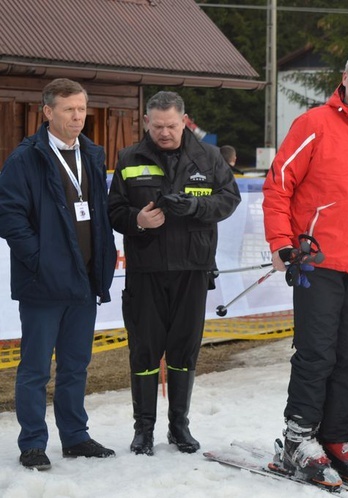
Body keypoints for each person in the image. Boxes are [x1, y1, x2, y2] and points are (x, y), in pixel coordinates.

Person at [262, 51, 348, 490]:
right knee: (316, 353)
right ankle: (299, 437)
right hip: (318, 261)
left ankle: (336, 437)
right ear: (346, 78)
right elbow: (279, 183)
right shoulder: (314, 123)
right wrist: (281, 242)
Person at [108, 91, 241, 456]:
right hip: (146, 270)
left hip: (192, 269)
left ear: (185, 121)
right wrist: (137, 220)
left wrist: (195, 206)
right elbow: (114, 209)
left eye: (171, 125)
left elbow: (229, 199)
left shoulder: (209, 156)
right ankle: (143, 430)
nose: (164, 133)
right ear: (146, 122)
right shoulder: (129, 158)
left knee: (184, 350)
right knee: (145, 351)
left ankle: (179, 427)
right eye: (158, 126)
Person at [0, 78, 117, 470]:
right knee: (35, 367)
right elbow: (10, 216)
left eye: (82, 109)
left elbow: (96, 212)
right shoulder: (26, 158)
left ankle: (75, 436)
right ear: (47, 112)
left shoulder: (94, 154)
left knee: (75, 364)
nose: (78, 117)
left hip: (84, 281)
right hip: (42, 285)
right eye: (69, 109)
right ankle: (33, 442)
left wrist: (104, 256)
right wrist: (39, 259)